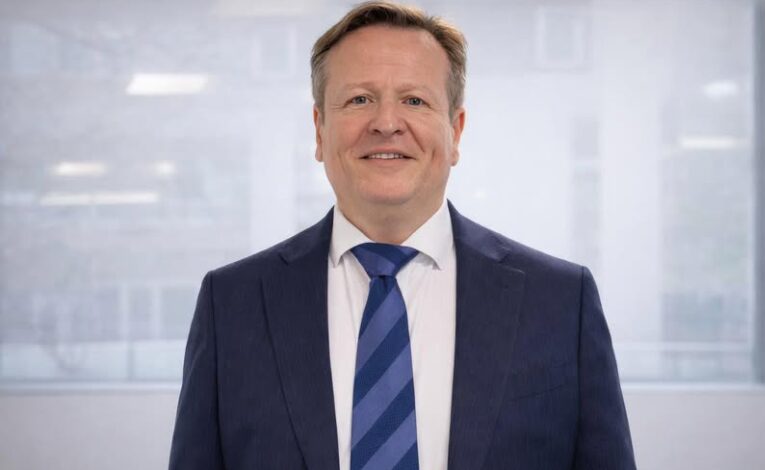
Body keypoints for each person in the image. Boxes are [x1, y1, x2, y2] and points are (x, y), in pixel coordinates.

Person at [168, 1, 636, 469]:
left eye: (414, 100)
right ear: (319, 130)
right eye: (359, 99)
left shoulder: (559, 302)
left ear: (455, 131)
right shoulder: (232, 305)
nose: (386, 123)